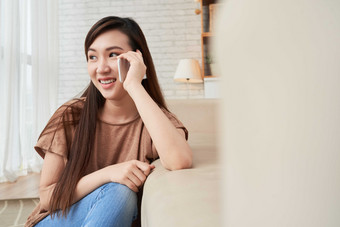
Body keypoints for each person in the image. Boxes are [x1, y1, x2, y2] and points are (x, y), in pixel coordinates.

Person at [25, 16, 192, 227]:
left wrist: (134, 85)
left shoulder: (155, 121)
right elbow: (48, 197)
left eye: (113, 55)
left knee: (119, 192)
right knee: (118, 189)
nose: (101, 68)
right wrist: (109, 174)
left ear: (137, 60)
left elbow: (180, 161)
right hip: (58, 219)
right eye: (92, 57)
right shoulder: (70, 115)